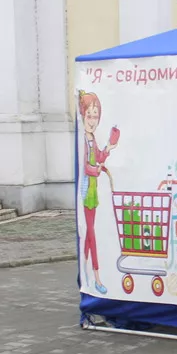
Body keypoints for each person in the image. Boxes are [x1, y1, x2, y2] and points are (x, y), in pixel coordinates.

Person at [79, 90, 118, 295]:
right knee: (91, 234)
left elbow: (99, 157)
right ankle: (96, 278)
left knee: (88, 235)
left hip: (93, 193)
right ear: (82, 115)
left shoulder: (92, 139)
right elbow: (88, 166)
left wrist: (109, 147)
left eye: (95, 116)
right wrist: (98, 170)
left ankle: (85, 274)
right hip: (87, 193)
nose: (92, 120)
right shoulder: (84, 141)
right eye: (89, 116)